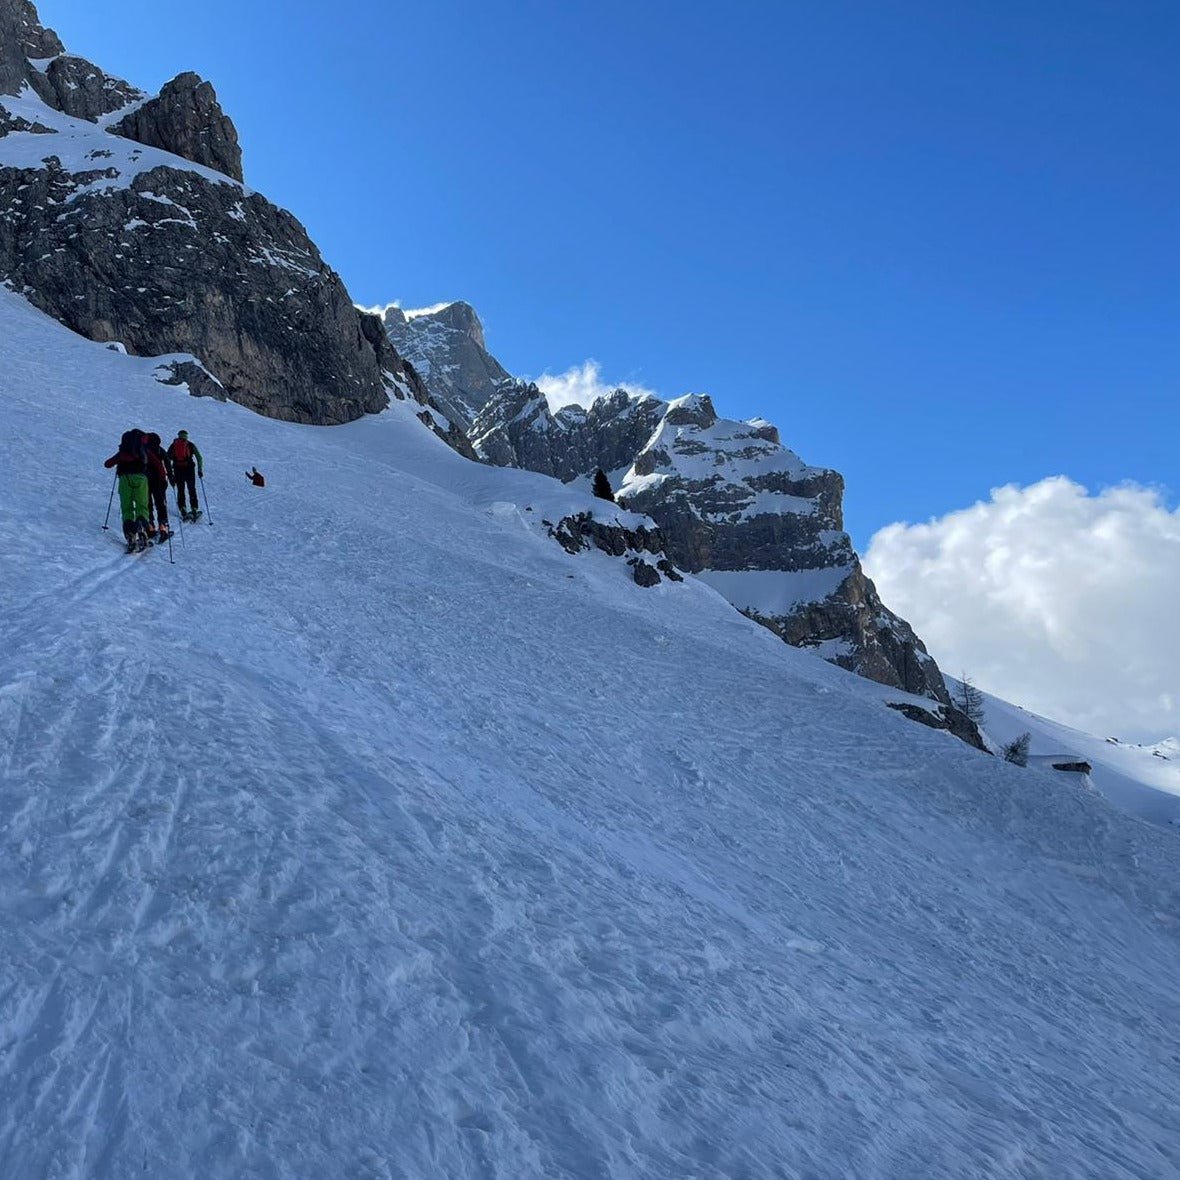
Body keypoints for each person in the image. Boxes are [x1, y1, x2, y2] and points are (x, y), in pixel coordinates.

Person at [104, 429, 151, 551]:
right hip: (141, 478)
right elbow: (156, 463)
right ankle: (142, 527)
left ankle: (130, 534)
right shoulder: (142, 450)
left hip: (125, 479)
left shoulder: (123, 452)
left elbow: (107, 464)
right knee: (142, 506)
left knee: (127, 508)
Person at [167, 430, 204, 521]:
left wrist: (170, 472)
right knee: (192, 489)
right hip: (189, 469)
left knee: (180, 489)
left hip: (178, 470)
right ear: (186, 436)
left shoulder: (173, 445)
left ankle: (183, 509)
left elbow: (167, 458)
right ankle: (194, 509)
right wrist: (199, 470)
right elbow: (199, 457)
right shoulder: (190, 445)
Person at [144, 432, 173, 541]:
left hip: (145, 480)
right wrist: (170, 476)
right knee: (160, 504)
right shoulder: (160, 450)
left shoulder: (143, 449)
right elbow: (167, 462)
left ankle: (150, 527)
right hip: (159, 480)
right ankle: (163, 527)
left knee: (148, 503)